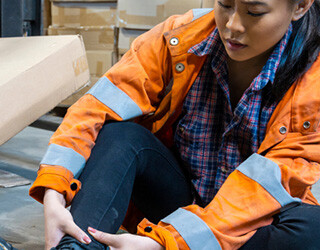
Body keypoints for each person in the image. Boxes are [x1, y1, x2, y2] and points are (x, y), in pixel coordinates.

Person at [30, 0, 320, 249]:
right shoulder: (180, 37)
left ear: (301, 5)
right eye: (225, 5)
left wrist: (170, 243)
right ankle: (77, 244)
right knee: (122, 136)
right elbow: (95, 108)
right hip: (177, 205)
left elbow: (269, 186)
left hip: (248, 223)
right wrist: (55, 189)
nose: (233, 25)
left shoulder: (314, 82)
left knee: (309, 227)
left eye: (254, 12)